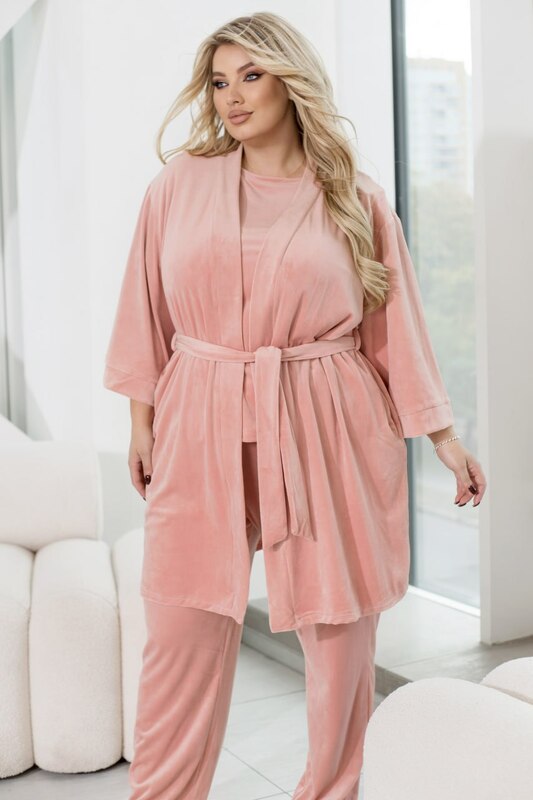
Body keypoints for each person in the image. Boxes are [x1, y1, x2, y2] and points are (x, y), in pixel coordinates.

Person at [103, 11, 487, 800]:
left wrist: (444, 438)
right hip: (199, 418)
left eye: (252, 76)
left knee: (339, 637)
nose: (232, 97)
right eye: (219, 81)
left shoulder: (353, 197)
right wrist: (140, 423)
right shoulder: (179, 185)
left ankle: (330, 790)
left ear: (292, 81)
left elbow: (396, 329)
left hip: (325, 423)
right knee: (179, 627)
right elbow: (143, 308)